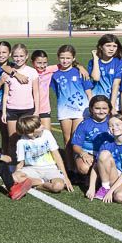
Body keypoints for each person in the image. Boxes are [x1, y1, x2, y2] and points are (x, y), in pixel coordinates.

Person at [51, 45, 92, 176]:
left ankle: (78, 166)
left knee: (77, 139)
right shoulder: (55, 75)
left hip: (80, 110)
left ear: (73, 58)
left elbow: (88, 92)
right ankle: (70, 168)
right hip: (64, 110)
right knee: (67, 139)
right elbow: (58, 93)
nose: (65, 61)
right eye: (62, 58)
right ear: (58, 58)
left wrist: (91, 107)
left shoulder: (80, 72)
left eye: (68, 58)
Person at [89, 114, 122, 204]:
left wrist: (111, 192)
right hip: (113, 176)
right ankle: (105, 187)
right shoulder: (106, 144)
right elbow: (95, 166)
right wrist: (91, 188)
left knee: (120, 197)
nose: (114, 127)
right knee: (104, 154)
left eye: (118, 124)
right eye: (111, 126)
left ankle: (118, 190)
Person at [13, 115, 71, 195]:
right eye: (39, 126)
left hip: (50, 169)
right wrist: (15, 180)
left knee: (58, 186)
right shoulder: (22, 142)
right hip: (32, 169)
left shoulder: (47, 134)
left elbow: (57, 156)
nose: (43, 126)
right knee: (14, 177)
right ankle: (41, 182)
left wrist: (66, 177)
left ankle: (35, 184)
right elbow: (20, 163)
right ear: (31, 132)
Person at [70, 95, 113, 180]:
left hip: (108, 154)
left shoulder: (114, 122)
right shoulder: (84, 124)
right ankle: (89, 178)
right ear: (91, 109)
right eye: (97, 108)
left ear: (109, 110)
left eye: (104, 108)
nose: (101, 111)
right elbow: (76, 145)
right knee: (84, 167)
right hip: (88, 153)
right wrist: (83, 153)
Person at [89, 34, 122, 101]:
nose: (111, 49)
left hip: (114, 100)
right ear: (100, 47)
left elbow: (116, 84)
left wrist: (112, 105)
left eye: (114, 46)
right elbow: (96, 78)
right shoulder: (93, 62)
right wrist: (95, 59)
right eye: (108, 46)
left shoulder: (119, 63)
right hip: (97, 99)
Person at [30, 50, 56, 132]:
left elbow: (65, 64)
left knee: (47, 135)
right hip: (30, 109)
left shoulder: (48, 71)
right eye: (39, 63)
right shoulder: (29, 73)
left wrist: (80, 67)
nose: (42, 66)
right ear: (32, 62)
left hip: (44, 109)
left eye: (45, 63)